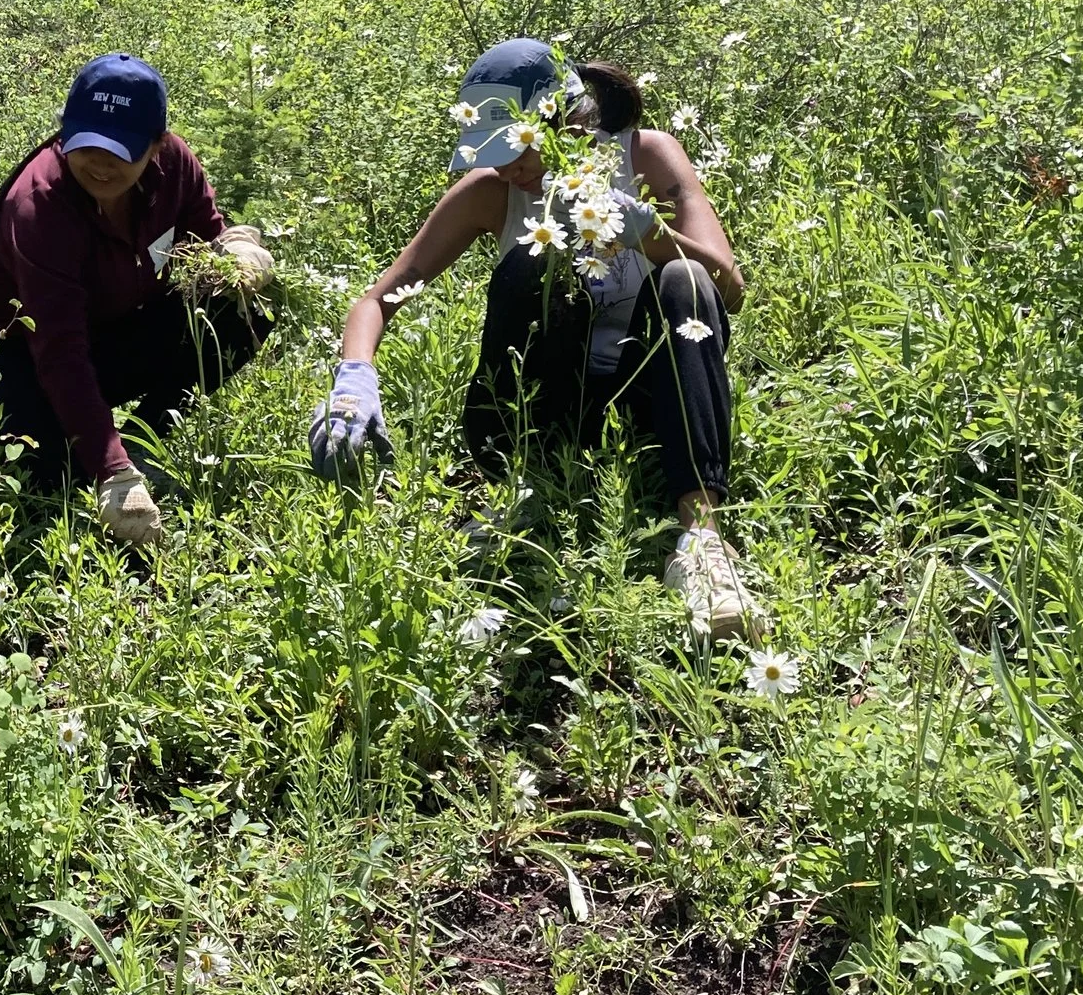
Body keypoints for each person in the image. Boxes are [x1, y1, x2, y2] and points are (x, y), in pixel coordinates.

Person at [307, 39, 765, 642]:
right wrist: (354, 375)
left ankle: (702, 543)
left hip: (647, 395)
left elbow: (726, 288)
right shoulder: (490, 191)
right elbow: (379, 297)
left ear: (564, 122)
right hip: (543, 403)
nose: (507, 168)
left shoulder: (647, 157)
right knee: (530, 263)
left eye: (518, 150)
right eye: (495, 154)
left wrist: (650, 233)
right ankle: (521, 489)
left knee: (685, 277)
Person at [0, 54, 276, 545]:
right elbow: (59, 350)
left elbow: (211, 235)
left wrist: (239, 251)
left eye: (121, 150)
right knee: (50, 480)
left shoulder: (175, 166)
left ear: (157, 144)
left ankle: (141, 444)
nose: (100, 164)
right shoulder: (40, 206)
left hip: (106, 329)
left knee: (240, 312)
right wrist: (110, 472)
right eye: (87, 145)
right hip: (5, 353)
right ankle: (112, 465)